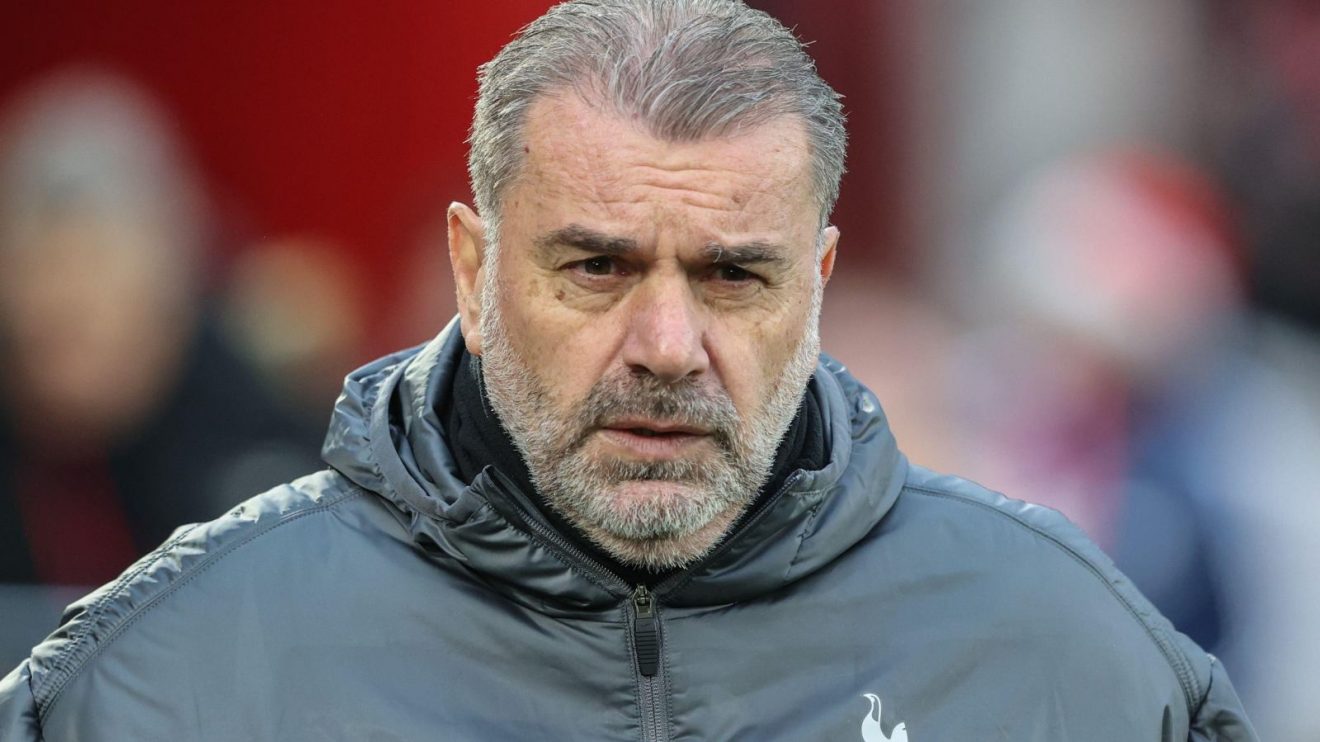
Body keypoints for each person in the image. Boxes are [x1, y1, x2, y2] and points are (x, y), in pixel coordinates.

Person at [0, 1, 1256, 739]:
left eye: (734, 276)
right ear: (471, 270)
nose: (665, 345)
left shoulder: (1067, 655)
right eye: (597, 268)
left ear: (818, 282)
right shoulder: (174, 674)